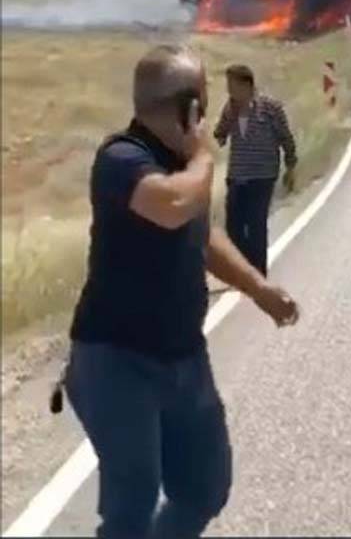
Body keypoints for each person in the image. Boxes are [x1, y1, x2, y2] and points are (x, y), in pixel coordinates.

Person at [67, 44, 299, 539]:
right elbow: (172, 205)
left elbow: (201, 231)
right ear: (190, 107)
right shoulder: (122, 157)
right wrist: (203, 158)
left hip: (183, 356)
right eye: (205, 99)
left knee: (203, 489)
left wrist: (258, 289)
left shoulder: (175, 163)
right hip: (115, 361)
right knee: (132, 505)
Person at [214, 64, 298, 276]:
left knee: (255, 223)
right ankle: (244, 269)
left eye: (232, 85)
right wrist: (217, 136)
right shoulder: (230, 109)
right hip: (236, 175)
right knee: (233, 226)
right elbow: (220, 134)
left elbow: (285, 137)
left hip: (262, 176)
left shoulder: (270, 108)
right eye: (228, 85)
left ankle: (258, 272)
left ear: (246, 85)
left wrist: (291, 165)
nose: (229, 90)